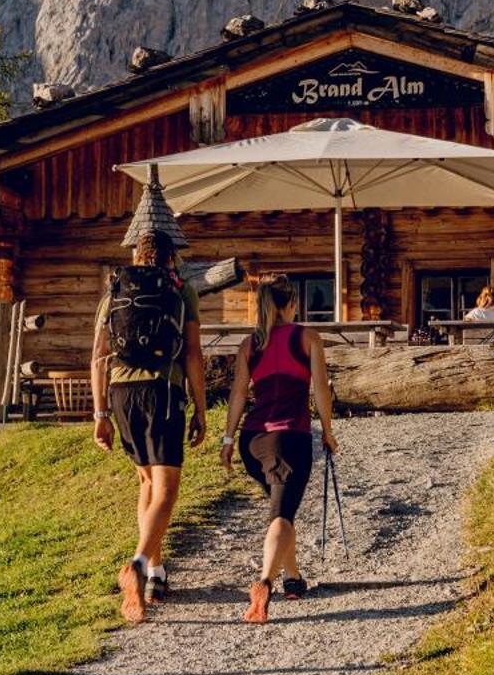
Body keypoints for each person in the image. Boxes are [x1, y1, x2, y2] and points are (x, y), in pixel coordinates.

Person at [91, 178, 208, 624]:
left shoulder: (115, 291)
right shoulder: (181, 289)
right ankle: (138, 564)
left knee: (145, 484)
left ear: (136, 255)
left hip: (120, 394)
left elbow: (97, 356)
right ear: (172, 254)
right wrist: (199, 407)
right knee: (168, 487)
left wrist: (99, 414)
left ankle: (157, 572)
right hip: (163, 391)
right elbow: (194, 353)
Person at [221, 274, 338, 624]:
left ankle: (293, 578)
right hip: (289, 438)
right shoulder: (307, 337)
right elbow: (320, 391)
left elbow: (239, 394)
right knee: (281, 516)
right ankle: (264, 582)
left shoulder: (250, 344)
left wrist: (228, 440)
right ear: (292, 304)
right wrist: (328, 432)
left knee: (280, 507)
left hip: (252, 441)